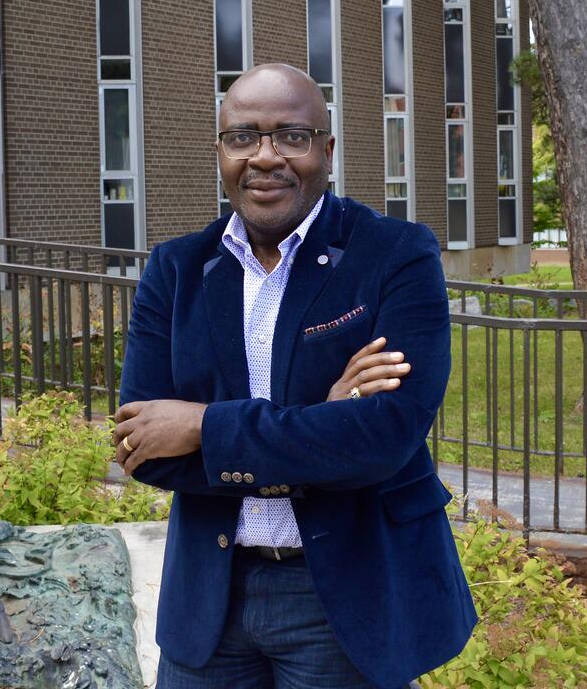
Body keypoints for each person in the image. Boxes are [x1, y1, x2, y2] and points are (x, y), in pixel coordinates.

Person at [112, 64, 476, 689]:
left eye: (292, 136)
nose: (266, 157)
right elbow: (143, 451)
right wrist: (320, 422)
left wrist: (200, 425)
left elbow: (383, 438)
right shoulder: (176, 270)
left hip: (344, 595)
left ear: (327, 150)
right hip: (210, 599)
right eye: (243, 136)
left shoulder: (395, 255)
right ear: (221, 151)